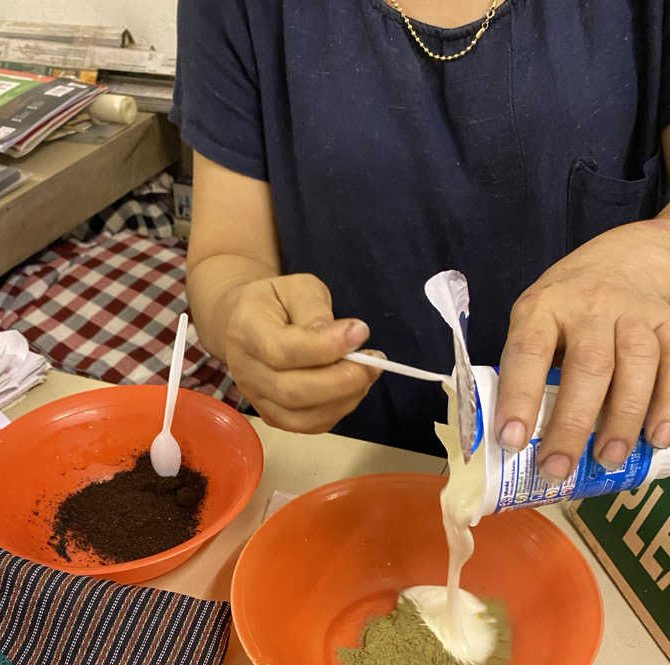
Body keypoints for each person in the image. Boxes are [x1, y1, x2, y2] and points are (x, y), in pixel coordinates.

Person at [169, 0, 670, 480]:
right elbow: (226, 256)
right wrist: (243, 318)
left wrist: (652, 251)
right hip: (341, 458)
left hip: (596, 467)